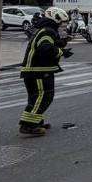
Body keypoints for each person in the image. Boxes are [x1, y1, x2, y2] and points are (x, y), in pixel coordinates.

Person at [18, 7, 72, 136]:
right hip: (39, 71)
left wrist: (62, 43)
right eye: (61, 23)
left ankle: (36, 121)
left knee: (36, 97)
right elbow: (45, 49)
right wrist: (61, 52)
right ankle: (28, 125)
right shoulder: (48, 31)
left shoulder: (44, 30)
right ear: (55, 20)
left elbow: (49, 44)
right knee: (44, 96)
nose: (62, 25)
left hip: (34, 71)